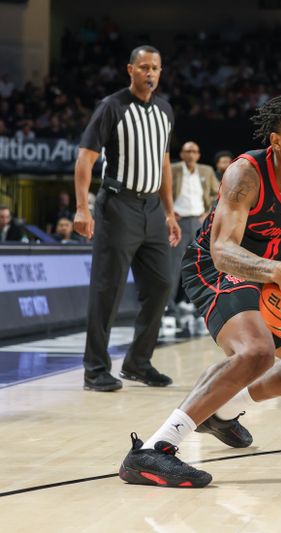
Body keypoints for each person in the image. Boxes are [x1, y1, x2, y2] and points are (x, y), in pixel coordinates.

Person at [119, 94, 281, 488]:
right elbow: (223, 250)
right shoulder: (246, 174)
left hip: (271, 275)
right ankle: (154, 450)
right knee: (257, 353)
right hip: (216, 266)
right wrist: (280, 270)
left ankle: (221, 412)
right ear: (277, 142)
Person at [73, 45, 181, 392]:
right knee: (108, 289)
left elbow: (163, 165)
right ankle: (95, 369)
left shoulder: (165, 110)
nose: (150, 73)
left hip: (152, 210)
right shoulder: (111, 107)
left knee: (163, 283)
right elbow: (85, 159)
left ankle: (137, 362)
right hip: (118, 205)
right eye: (144, 67)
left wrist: (169, 211)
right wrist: (81, 207)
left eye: (156, 68)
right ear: (130, 70)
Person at [168, 141, 219, 315]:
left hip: (199, 223)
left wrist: (208, 213)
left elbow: (217, 194)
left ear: (198, 155)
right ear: (182, 154)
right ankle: (169, 305)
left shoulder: (206, 171)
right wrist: (169, 213)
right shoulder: (172, 169)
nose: (191, 154)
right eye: (187, 151)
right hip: (178, 223)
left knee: (198, 266)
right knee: (174, 265)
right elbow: (162, 191)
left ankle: (192, 304)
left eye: (194, 151)